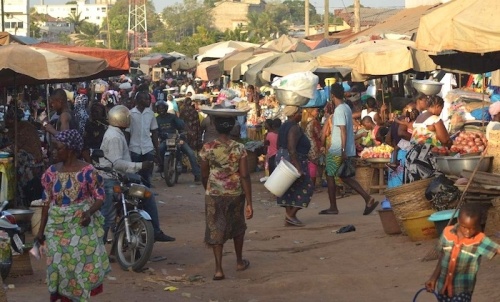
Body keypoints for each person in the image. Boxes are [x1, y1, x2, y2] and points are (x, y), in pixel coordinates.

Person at [34, 129, 110, 301]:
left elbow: (100, 198)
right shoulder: (51, 173)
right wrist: (41, 231)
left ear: (70, 149)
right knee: (57, 265)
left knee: (78, 266)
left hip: (79, 224)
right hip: (56, 227)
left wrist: (89, 212)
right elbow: (46, 203)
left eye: (57, 148)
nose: (52, 152)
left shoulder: (88, 172)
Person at [100, 105, 175, 242]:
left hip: (121, 178)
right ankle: (155, 231)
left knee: (142, 195)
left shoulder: (116, 133)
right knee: (108, 216)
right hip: (112, 180)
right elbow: (116, 163)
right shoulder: (114, 137)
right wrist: (140, 165)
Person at [199, 116, 253, 281]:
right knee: (238, 226)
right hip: (235, 193)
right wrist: (250, 202)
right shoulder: (239, 148)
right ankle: (239, 261)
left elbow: (204, 174)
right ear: (232, 128)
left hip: (214, 193)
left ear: (214, 126)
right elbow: (244, 175)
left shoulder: (208, 148)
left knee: (216, 229)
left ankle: (218, 269)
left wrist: (209, 187)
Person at [320, 83, 378, 215]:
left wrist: (342, 150)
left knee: (330, 175)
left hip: (337, 148)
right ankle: (368, 198)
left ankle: (333, 207)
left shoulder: (340, 110)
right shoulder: (346, 108)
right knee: (344, 176)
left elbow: (343, 131)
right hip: (345, 148)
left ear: (332, 95)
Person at [425, 203, 500, 302]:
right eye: (464, 227)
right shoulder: (447, 233)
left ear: (479, 224)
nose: (468, 232)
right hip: (443, 287)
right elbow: (443, 256)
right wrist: (433, 278)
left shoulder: (480, 240)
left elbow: (497, 249)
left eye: (472, 228)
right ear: (459, 221)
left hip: (462, 290)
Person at [276, 105, 313, 226]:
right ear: (293, 115)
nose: (301, 114)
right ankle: (290, 215)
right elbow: (292, 149)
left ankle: (290, 217)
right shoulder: (294, 128)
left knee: (288, 189)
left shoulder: (283, 126)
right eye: (299, 112)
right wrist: (298, 168)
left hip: (283, 157)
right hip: (294, 159)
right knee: (306, 186)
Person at [405, 95, 451, 183]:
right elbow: (444, 140)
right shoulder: (435, 119)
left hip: (413, 155)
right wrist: (450, 144)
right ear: (437, 106)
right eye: (441, 108)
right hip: (427, 157)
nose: (441, 111)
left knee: (417, 184)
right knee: (431, 183)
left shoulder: (419, 118)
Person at [5, 108, 44, 207]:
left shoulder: (21, 128)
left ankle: (21, 203)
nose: (6, 122)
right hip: (35, 162)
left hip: (31, 163)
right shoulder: (21, 126)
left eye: (8, 119)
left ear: (12, 120)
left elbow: (15, 147)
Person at [156, 101, 201, 181]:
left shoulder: (172, 117)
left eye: (163, 108)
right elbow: (155, 130)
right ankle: (162, 165)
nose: (161, 110)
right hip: (165, 140)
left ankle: (197, 174)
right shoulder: (157, 119)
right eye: (159, 109)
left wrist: (183, 131)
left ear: (166, 109)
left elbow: (181, 125)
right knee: (160, 150)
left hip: (176, 139)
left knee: (190, 153)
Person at [127, 91, 160, 188]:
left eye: (149, 99)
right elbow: (127, 133)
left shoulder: (151, 114)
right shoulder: (130, 114)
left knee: (147, 175)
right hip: (134, 149)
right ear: (139, 100)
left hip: (148, 148)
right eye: (146, 99)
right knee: (135, 175)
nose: (149, 101)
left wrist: (157, 151)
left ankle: (147, 197)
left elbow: (154, 132)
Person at [301, 108, 322, 192]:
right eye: (316, 110)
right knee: (313, 165)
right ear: (311, 112)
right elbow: (319, 135)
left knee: (309, 165)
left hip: (305, 145)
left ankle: (308, 185)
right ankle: (312, 186)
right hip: (313, 145)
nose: (317, 112)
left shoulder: (303, 122)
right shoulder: (314, 122)